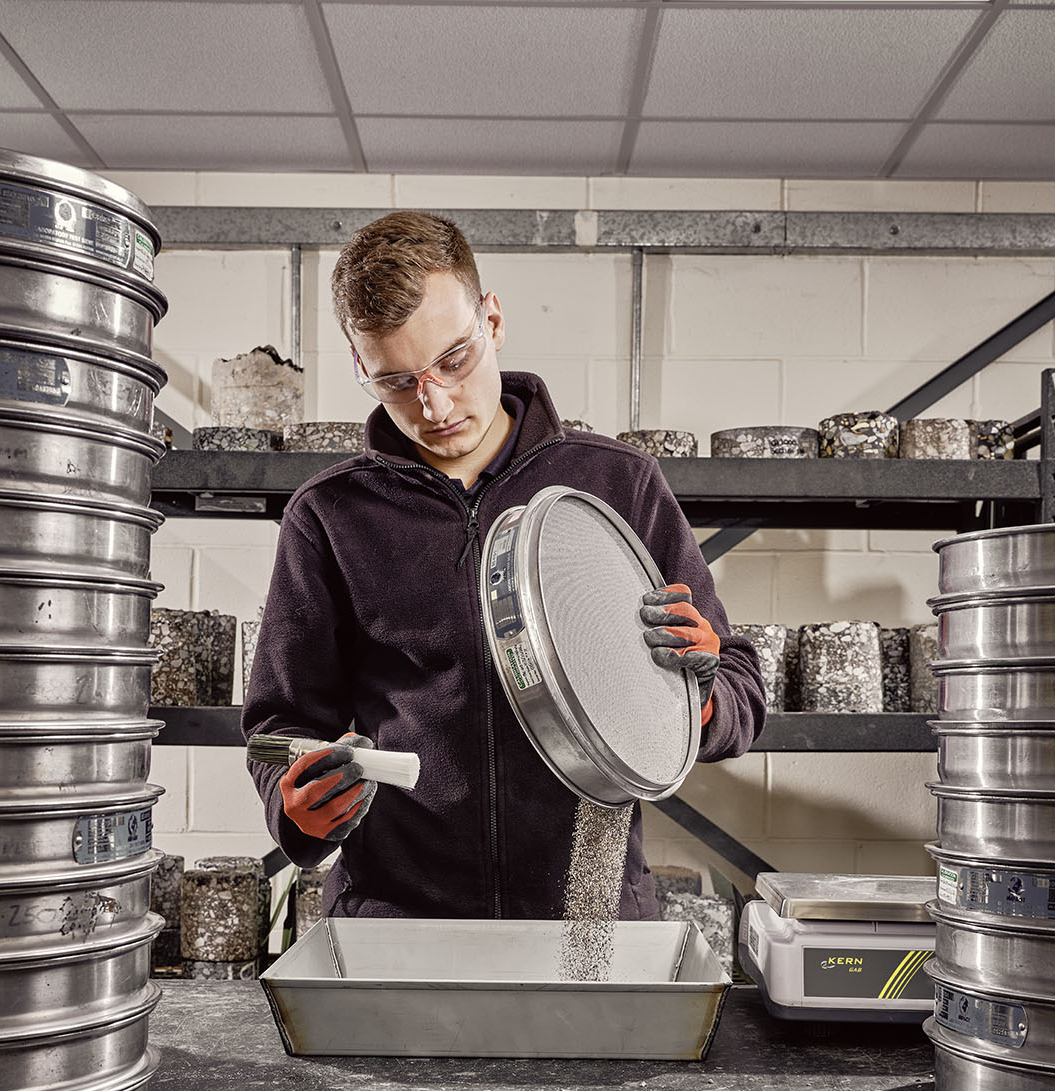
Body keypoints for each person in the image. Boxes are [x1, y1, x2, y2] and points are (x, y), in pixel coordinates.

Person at [242, 210, 765, 921]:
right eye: (396, 382)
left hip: (589, 918)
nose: (434, 403)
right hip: (399, 923)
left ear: (492, 321)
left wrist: (699, 694)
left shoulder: (618, 487)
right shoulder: (329, 516)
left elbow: (737, 691)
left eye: (453, 361)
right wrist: (294, 807)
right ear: (361, 367)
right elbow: (280, 724)